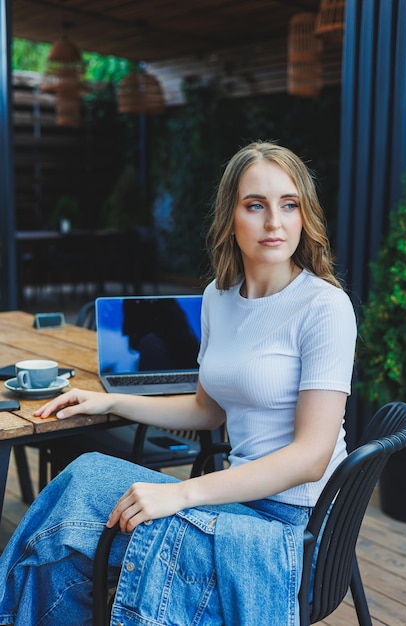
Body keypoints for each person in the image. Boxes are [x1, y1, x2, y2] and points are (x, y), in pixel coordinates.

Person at [0, 141, 357, 626]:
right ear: (231, 216)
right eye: (256, 205)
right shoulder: (218, 298)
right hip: (235, 498)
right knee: (81, 481)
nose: (275, 222)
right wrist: (107, 400)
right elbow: (206, 412)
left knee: (70, 532)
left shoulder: (324, 308)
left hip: (292, 527)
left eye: (289, 204)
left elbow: (311, 457)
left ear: (304, 215)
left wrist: (182, 492)